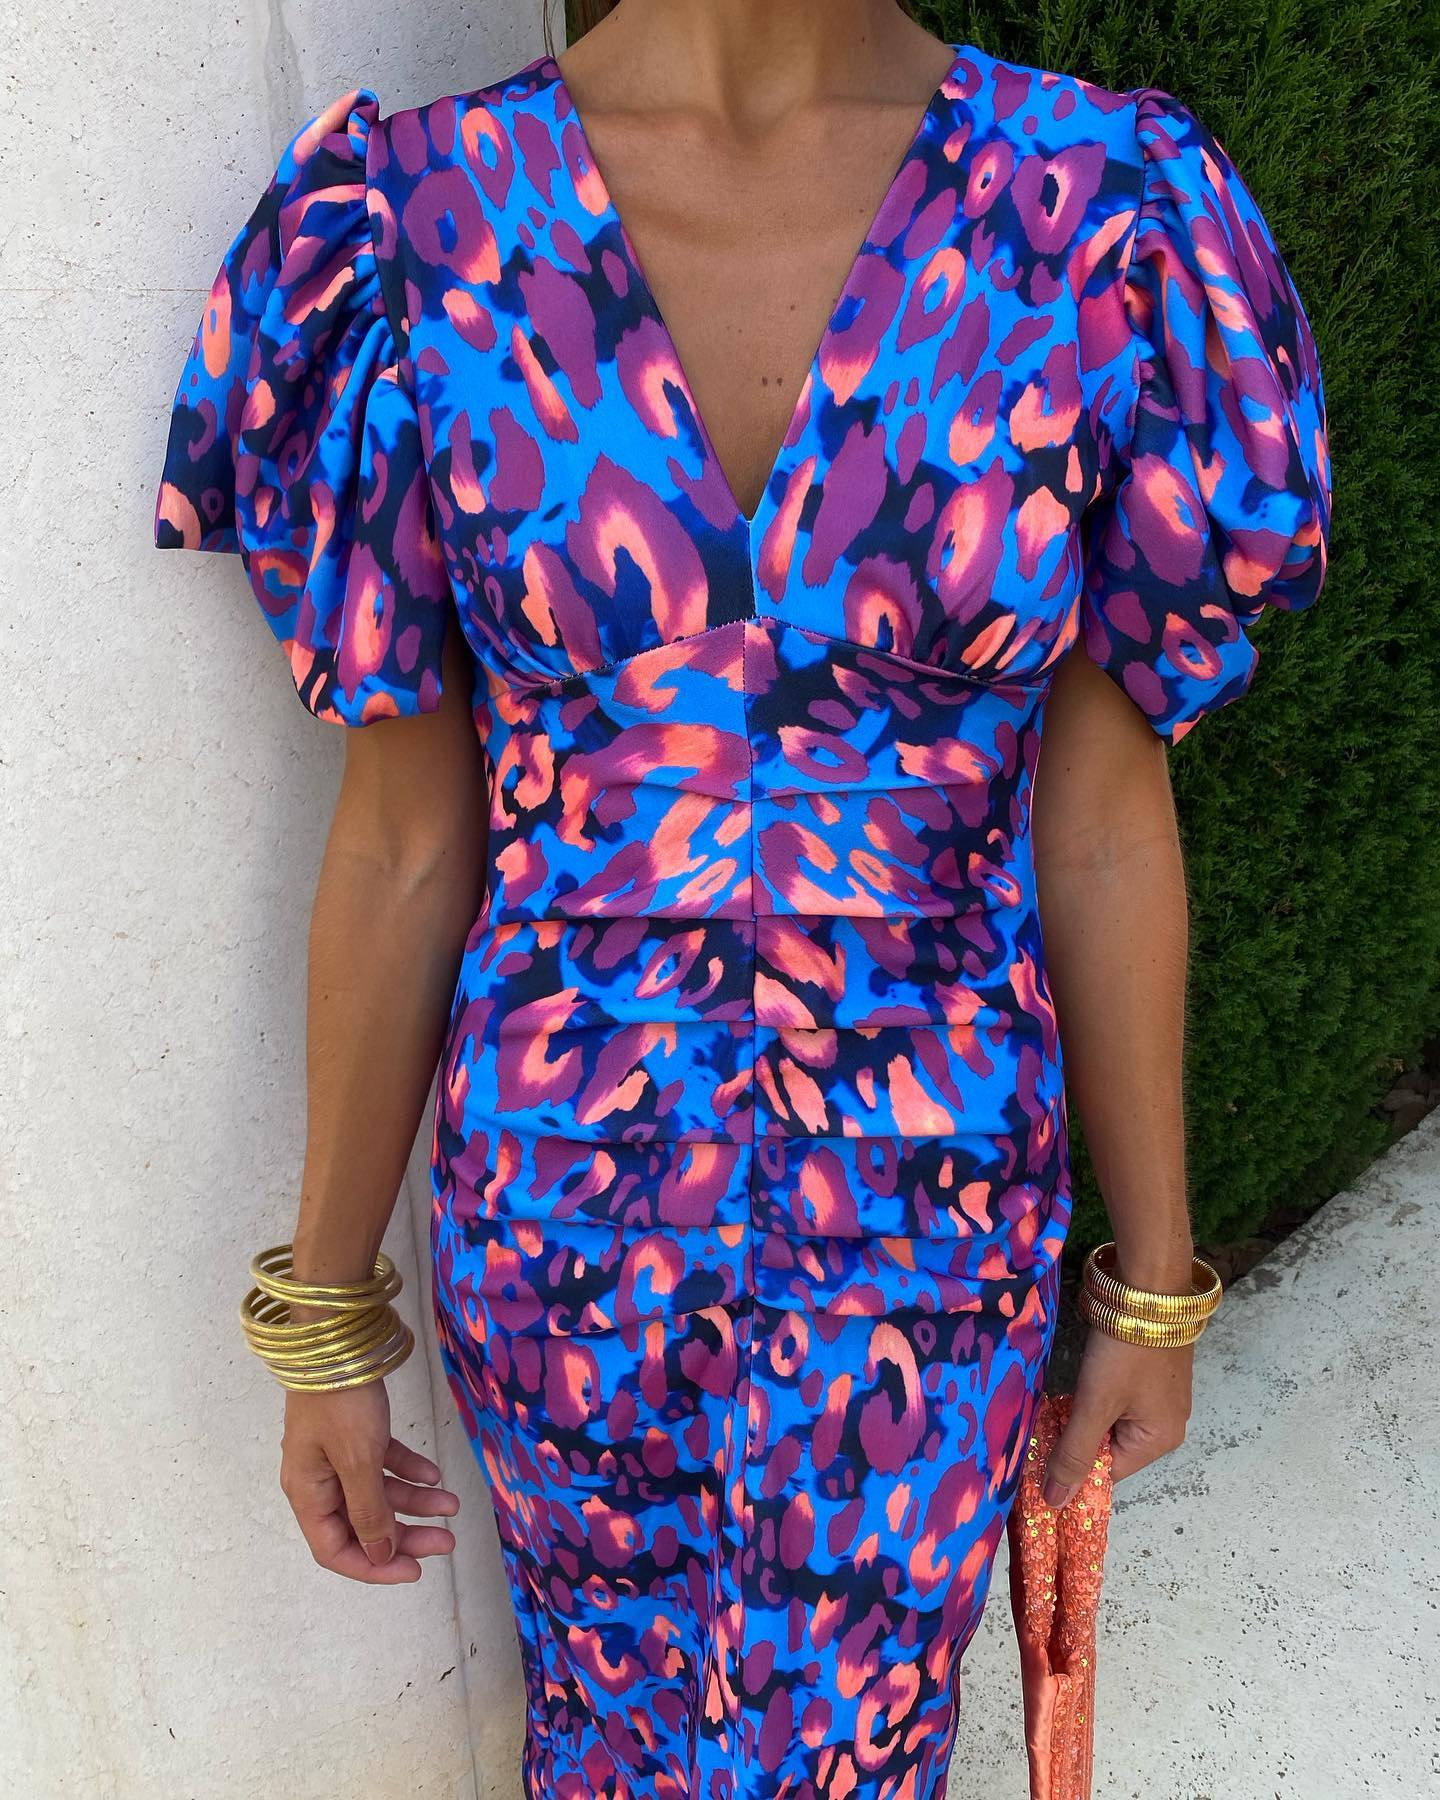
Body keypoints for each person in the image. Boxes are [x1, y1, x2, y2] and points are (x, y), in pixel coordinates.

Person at [152, 1, 1331, 1793]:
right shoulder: (408, 231)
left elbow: (1100, 822)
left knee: (869, 1736)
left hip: (936, 1221)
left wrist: (1151, 1286)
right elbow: (405, 836)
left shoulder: (1109, 219)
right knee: (616, 1733)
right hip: (564, 1226)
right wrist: (323, 1316)